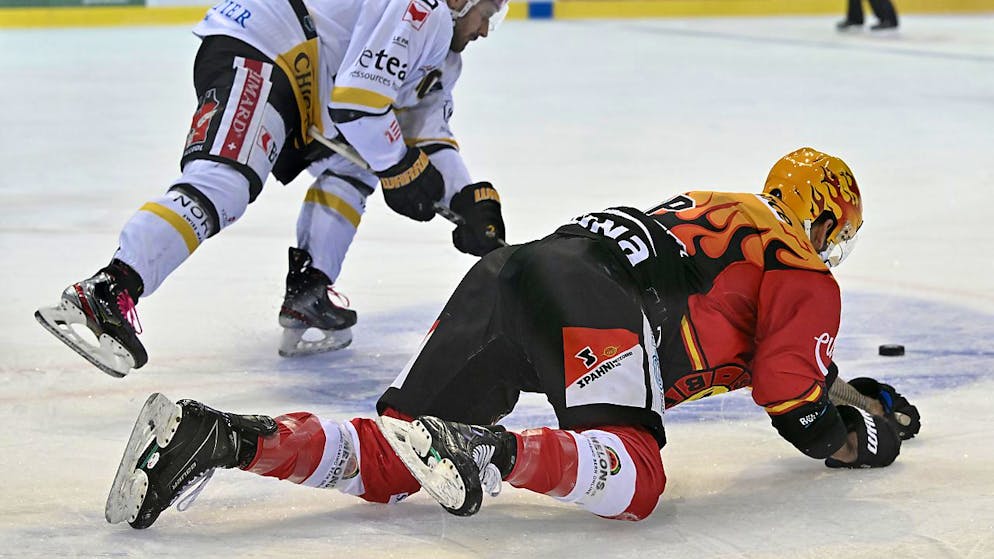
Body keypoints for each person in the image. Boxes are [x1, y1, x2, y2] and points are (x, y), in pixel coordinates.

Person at [104, 148, 921, 528]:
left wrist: (834, 383)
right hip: (596, 296)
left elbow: (753, 333)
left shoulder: (721, 205)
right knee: (636, 478)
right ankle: (488, 452)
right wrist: (858, 435)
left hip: (516, 270)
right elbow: (791, 396)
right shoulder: (805, 267)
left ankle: (217, 437)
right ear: (827, 221)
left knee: (393, 456)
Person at [34, 0, 509, 377]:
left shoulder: (442, 52)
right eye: (488, 12)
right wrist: (402, 166)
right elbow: (363, 105)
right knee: (225, 182)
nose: (487, 29)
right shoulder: (419, 9)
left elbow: (418, 129)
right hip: (264, 47)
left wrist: (467, 199)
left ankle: (310, 289)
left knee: (364, 162)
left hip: (308, 78)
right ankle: (110, 287)